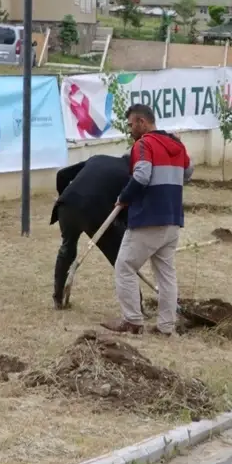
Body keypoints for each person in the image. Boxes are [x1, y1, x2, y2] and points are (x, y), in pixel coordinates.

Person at [102, 104, 193, 336]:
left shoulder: (144, 144)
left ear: (142, 122)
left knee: (124, 266)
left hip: (148, 218)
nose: (131, 129)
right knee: (166, 274)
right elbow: (188, 173)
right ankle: (166, 327)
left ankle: (132, 322)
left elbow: (142, 175)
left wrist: (123, 198)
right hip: (172, 219)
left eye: (132, 124)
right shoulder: (177, 144)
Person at [50, 154, 134, 310]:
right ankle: (136, 306)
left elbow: (61, 175)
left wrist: (63, 195)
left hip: (66, 206)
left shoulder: (98, 158)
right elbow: (124, 210)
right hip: (94, 213)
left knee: (67, 248)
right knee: (120, 258)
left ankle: (58, 298)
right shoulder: (129, 176)